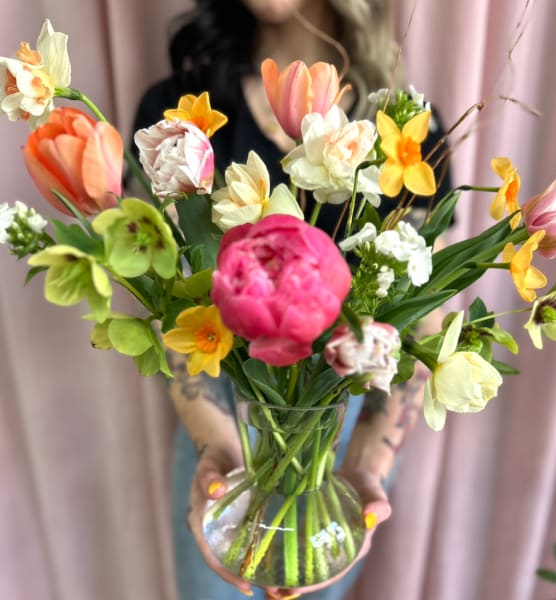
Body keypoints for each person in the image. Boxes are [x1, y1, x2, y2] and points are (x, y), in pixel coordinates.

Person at [131, 0, 452, 598]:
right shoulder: (177, 121)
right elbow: (173, 309)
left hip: (347, 421)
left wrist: (368, 462)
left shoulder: (404, 136)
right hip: (222, 420)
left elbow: (421, 321)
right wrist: (219, 450)